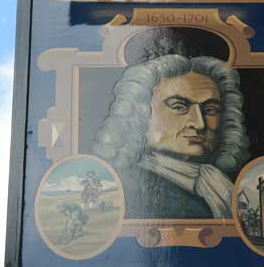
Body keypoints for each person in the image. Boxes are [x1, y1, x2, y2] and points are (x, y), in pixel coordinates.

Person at [91, 54, 250, 219]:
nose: (199, 124)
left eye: (210, 109)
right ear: (139, 112)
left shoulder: (216, 183)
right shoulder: (127, 188)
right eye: (179, 106)